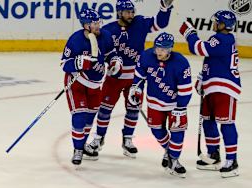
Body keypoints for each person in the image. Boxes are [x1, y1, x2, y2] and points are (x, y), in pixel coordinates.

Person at [89, 0, 173, 158]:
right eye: (127, 12)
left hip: (136, 77)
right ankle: (99, 138)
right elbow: (101, 52)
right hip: (114, 77)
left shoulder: (140, 23)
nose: (131, 15)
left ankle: (127, 139)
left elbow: (160, 23)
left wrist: (165, 8)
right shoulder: (108, 30)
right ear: (119, 12)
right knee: (105, 109)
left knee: (133, 109)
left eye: (132, 11)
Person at [179, 10, 240, 178]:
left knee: (226, 123)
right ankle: (213, 155)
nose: (214, 24)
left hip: (225, 88)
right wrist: (202, 78)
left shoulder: (222, 39)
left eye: (216, 22)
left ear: (222, 25)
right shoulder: (222, 40)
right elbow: (212, 60)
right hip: (213, 86)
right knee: (208, 121)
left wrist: (190, 34)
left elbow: (197, 48)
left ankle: (232, 161)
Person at [61, 8, 123, 165]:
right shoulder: (75, 40)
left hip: (95, 85)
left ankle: (82, 145)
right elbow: (64, 64)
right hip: (77, 83)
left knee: (89, 119)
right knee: (79, 116)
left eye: (98, 22)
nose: (97, 26)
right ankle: (78, 150)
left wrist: (116, 63)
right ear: (85, 25)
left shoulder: (105, 36)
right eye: (94, 23)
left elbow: (111, 54)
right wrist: (80, 62)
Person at [128, 33, 192, 177]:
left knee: (178, 131)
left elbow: (186, 89)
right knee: (156, 130)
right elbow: (139, 79)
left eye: (163, 50)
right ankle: (169, 151)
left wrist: (180, 108)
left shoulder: (181, 62)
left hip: (175, 104)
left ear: (170, 49)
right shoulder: (146, 56)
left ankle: (174, 160)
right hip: (154, 101)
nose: (159, 52)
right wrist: (136, 91)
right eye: (157, 48)